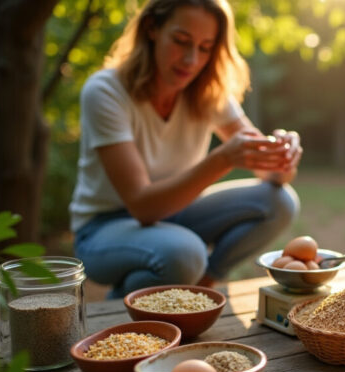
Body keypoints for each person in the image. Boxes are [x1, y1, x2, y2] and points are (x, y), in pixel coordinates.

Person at [69, 0, 301, 298]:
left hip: (176, 215)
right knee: (184, 254)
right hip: (103, 228)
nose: (192, 60)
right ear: (152, 28)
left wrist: (284, 157)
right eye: (181, 41)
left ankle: (201, 287)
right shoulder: (105, 91)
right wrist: (225, 157)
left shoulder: (209, 91)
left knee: (281, 202)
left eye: (205, 48)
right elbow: (142, 206)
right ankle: (123, 313)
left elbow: (271, 175)